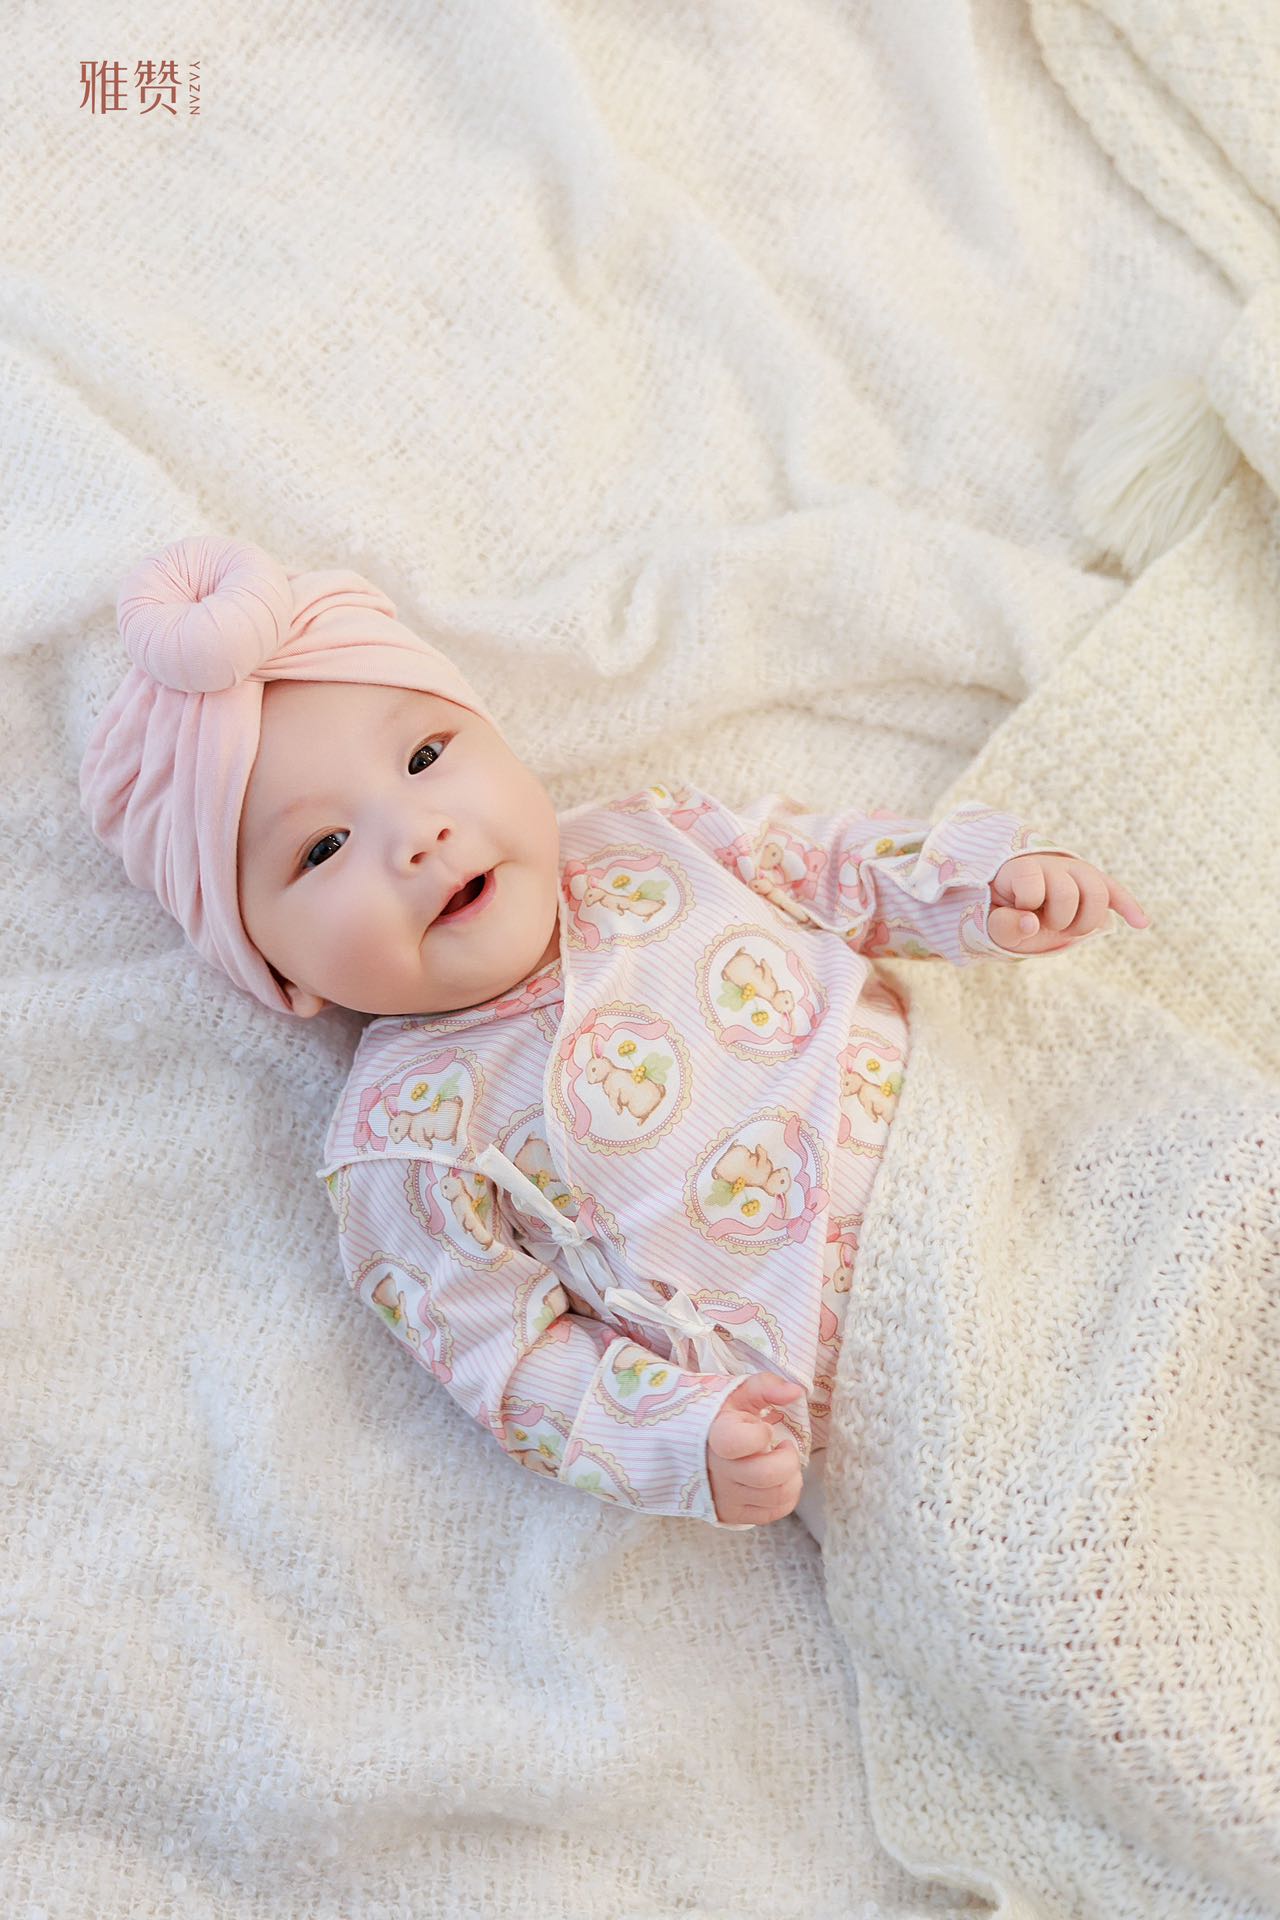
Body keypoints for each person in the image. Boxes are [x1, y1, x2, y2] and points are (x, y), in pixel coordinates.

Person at [80, 535, 1150, 1541]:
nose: (416, 833)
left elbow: (838, 872)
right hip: (882, 1388)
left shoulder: (655, 837)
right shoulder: (402, 1142)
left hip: (995, 1159)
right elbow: (510, 1359)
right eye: (322, 847)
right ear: (273, 970)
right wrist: (682, 1437)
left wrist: (983, 885)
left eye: (425, 754)